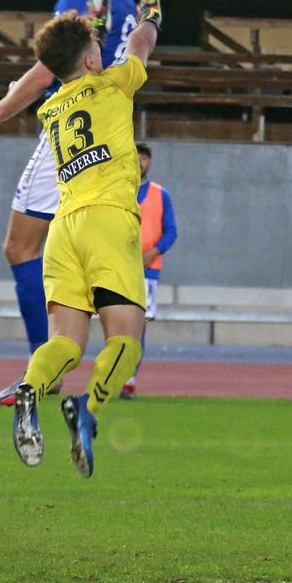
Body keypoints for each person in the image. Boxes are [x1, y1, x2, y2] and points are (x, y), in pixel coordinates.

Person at [0, 0, 139, 377]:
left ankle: (46, 364)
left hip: (70, 125)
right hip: (111, 130)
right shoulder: (128, 1)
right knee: (81, 243)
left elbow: (48, 67)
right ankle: (80, 356)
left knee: (20, 247)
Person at [0, 0, 163, 479]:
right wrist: (149, 13)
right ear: (93, 60)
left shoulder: (50, 110)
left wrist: (92, 28)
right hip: (109, 219)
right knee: (127, 342)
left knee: (66, 344)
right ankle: (87, 409)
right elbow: (142, 44)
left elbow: (70, 62)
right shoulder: (114, 85)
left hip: (63, 229)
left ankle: (30, 386)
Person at [123, 142, 176, 400]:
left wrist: (152, 253)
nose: (139, 162)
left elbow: (172, 232)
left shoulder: (160, 194)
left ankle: (129, 380)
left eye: (143, 158)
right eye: (135, 157)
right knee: (118, 325)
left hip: (148, 272)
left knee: (138, 327)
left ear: (149, 162)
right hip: (119, 269)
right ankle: (114, 376)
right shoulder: (119, 191)